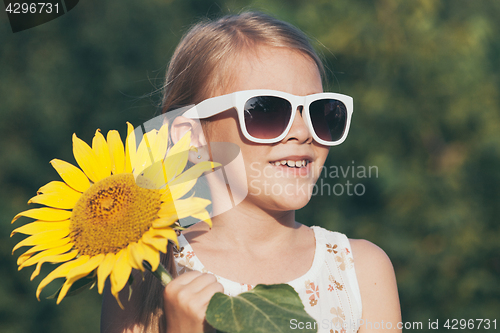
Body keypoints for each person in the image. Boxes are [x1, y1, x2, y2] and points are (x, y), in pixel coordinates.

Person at [101, 11, 401, 333]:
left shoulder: (359, 271)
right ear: (191, 136)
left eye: (321, 112)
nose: (302, 132)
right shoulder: (145, 270)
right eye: (267, 110)